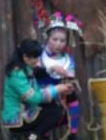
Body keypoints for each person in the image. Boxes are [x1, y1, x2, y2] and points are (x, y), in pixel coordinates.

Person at [1, 39, 74, 140]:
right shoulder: (16, 74)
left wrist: (51, 69)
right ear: (25, 57)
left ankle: (36, 135)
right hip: (17, 119)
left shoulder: (25, 68)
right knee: (54, 113)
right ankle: (34, 136)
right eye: (35, 57)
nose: (38, 60)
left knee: (55, 108)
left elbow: (37, 73)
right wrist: (56, 89)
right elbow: (34, 98)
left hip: (27, 110)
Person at [35, 12, 82, 140]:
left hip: (62, 95)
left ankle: (73, 133)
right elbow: (34, 73)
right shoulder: (39, 55)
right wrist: (51, 69)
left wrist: (66, 74)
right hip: (42, 93)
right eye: (54, 39)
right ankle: (44, 134)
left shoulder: (67, 59)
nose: (58, 44)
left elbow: (71, 77)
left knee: (73, 96)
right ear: (47, 38)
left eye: (62, 40)